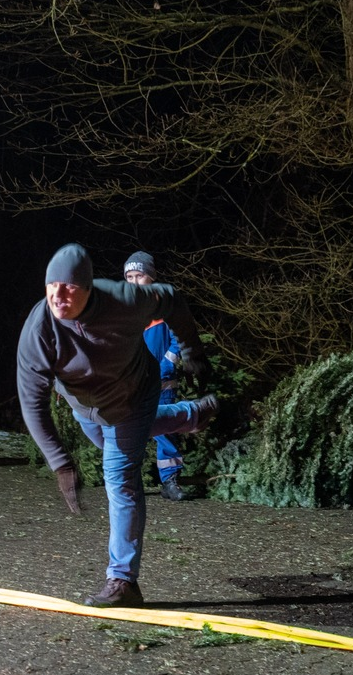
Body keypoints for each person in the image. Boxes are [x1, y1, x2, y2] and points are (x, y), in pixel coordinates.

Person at [17, 243, 218, 608]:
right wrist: (60, 463)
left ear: (89, 288)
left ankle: (123, 581)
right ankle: (191, 415)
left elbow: (171, 298)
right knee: (109, 444)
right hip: (86, 408)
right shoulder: (38, 331)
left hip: (133, 395)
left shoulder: (124, 299)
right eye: (52, 286)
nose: (59, 296)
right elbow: (33, 403)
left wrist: (192, 351)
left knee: (119, 476)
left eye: (69, 287)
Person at [124, 251, 190, 501]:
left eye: (139, 275)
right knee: (128, 435)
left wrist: (165, 366)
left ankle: (170, 481)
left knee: (166, 431)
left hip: (162, 384)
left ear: (151, 277)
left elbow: (179, 341)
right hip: (132, 385)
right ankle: (129, 483)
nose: (134, 281)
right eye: (129, 276)